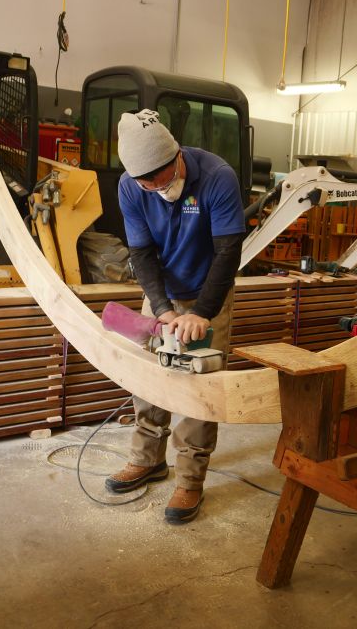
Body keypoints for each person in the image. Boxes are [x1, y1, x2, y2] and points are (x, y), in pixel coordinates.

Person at [105, 109, 245, 524]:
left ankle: (189, 479)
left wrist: (202, 313)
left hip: (209, 292)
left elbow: (227, 252)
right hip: (162, 292)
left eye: (163, 180)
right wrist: (163, 310)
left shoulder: (218, 177)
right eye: (148, 184)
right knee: (150, 379)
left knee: (199, 388)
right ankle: (148, 460)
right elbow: (142, 253)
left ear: (177, 156)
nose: (158, 189)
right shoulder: (131, 187)